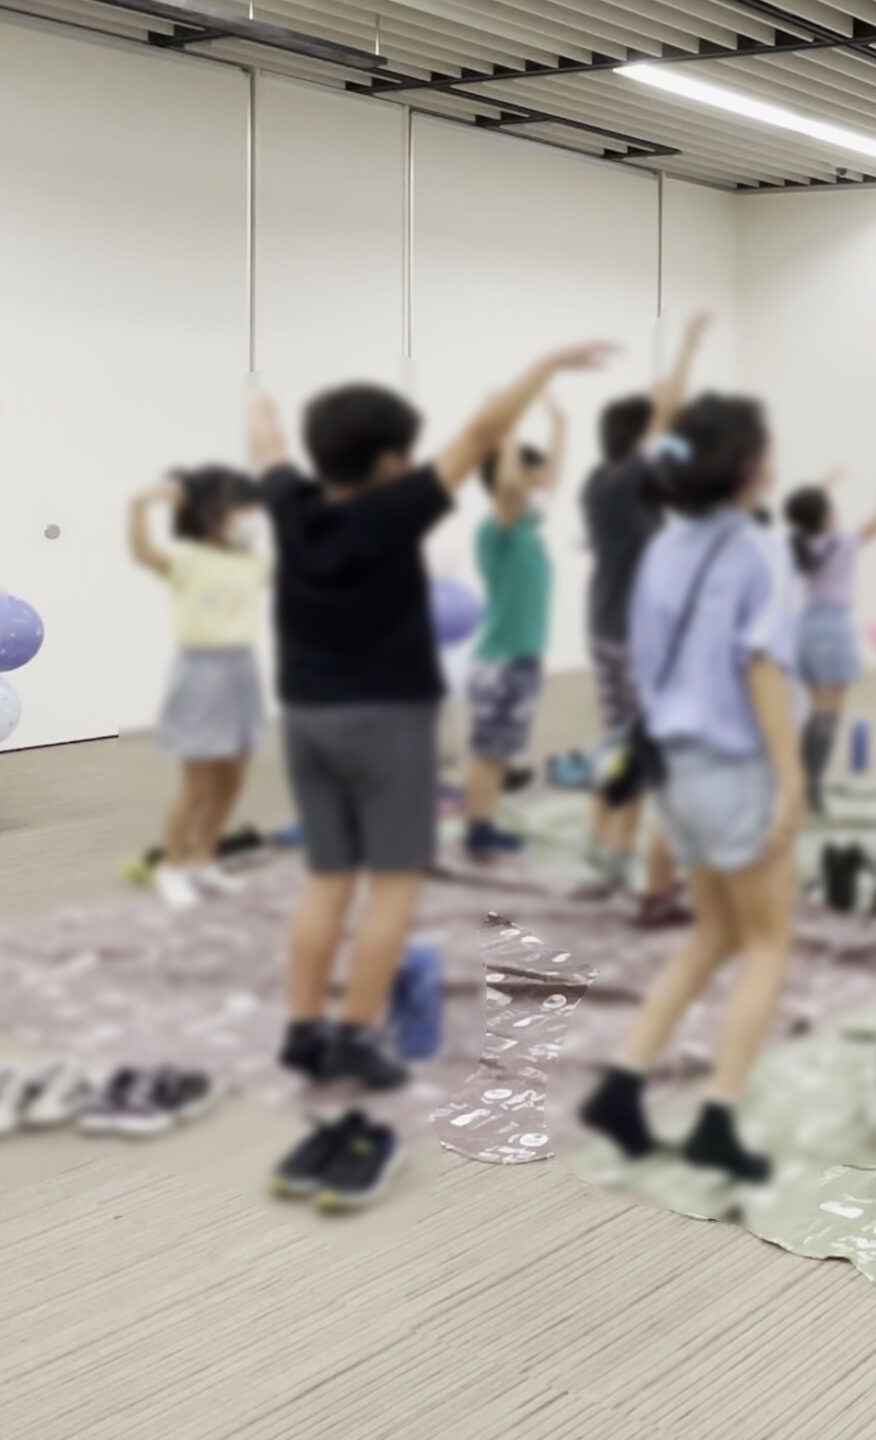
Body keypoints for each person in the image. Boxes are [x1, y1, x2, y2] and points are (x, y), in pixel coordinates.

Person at [261, 341, 613, 1209]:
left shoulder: (290, 503)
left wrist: (261, 405)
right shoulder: (395, 512)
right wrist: (550, 367)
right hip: (388, 723)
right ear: (389, 461)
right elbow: (486, 431)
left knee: (326, 883)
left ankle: (307, 1031)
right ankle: (351, 1037)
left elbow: (268, 444)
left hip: (308, 721)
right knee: (390, 893)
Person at [576, 394, 801, 1183]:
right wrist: (795, 779)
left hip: (673, 770)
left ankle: (623, 1084)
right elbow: (762, 664)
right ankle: (719, 1117)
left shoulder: (663, 549)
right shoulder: (756, 549)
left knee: (712, 936)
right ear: (745, 465)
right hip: (736, 768)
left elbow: (643, 663)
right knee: (769, 942)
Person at [580, 312, 709, 916]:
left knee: (619, 744)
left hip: (603, 630)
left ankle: (605, 858)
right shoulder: (634, 478)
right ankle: (657, 888)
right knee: (662, 758)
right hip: (640, 639)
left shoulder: (595, 482)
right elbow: (669, 412)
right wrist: (687, 343)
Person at [127, 464, 270, 908]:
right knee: (199, 784)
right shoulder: (187, 559)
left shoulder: (255, 560)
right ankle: (172, 866)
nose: (250, 516)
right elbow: (145, 552)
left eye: (253, 507)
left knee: (233, 779)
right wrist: (140, 505)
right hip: (201, 672)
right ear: (211, 513)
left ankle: (205, 861)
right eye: (241, 507)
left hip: (242, 671)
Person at [462, 398, 565, 862]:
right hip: (502, 661)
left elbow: (552, 475)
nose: (544, 483)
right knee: (490, 753)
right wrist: (508, 430)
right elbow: (507, 482)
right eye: (534, 476)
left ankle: (484, 823)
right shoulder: (500, 526)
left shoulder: (526, 524)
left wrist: (561, 424)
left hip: (520, 657)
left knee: (501, 752)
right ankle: (478, 831)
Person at [781, 467, 876, 814]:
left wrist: (821, 488)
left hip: (806, 627)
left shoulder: (800, 545)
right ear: (826, 515)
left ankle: (799, 782)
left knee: (814, 711)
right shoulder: (842, 542)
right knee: (828, 714)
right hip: (833, 630)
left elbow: (803, 516)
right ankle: (809, 786)